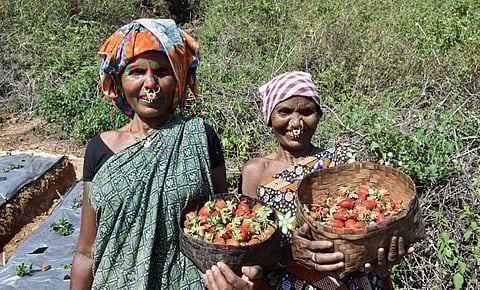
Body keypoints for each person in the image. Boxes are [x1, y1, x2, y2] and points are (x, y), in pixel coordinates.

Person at [71, 19, 259, 289]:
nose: (151, 83)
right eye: (136, 72)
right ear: (119, 81)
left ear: (178, 79)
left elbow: (224, 225)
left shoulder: (199, 137)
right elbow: (86, 251)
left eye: (161, 71)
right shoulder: (99, 149)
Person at [240, 71, 414, 289]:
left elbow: (365, 225)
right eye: (284, 112)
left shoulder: (342, 161)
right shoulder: (256, 172)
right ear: (269, 118)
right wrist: (288, 254)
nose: (296, 123)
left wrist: (380, 257)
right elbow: (249, 250)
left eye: (306, 111)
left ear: (319, 116)